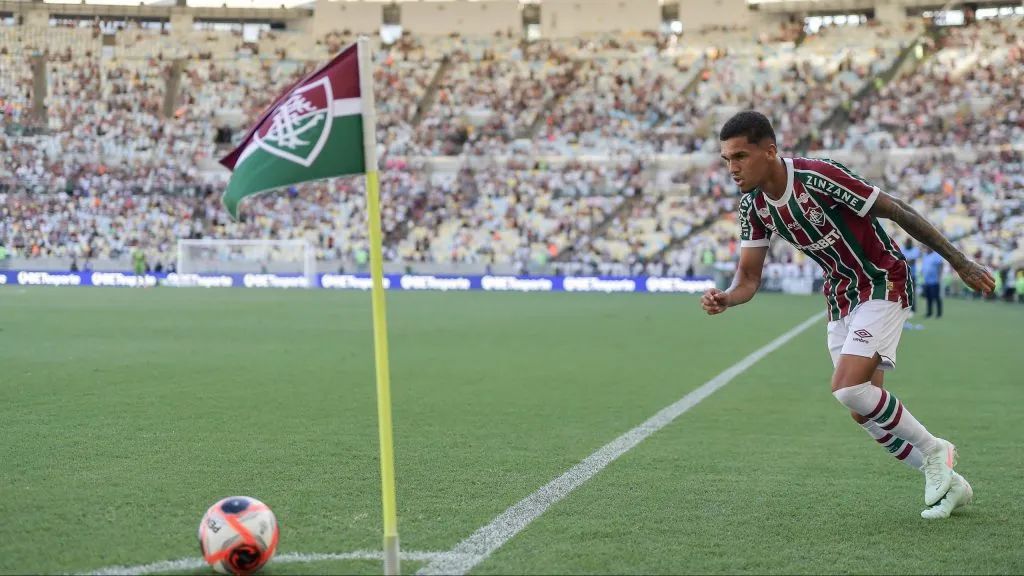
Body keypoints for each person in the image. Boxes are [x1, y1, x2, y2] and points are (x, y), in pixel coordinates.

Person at [700, 111, 995, 520]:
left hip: (882, 280)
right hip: (840, 296)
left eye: (740, 156)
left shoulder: (818, 176)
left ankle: (934, 451)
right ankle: (953, 485)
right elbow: (748, 277)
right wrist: (728, 298)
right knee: (861, 408)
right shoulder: (753, 206)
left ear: (769, 151)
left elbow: (896, 210)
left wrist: (959, 262)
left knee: (847, 388)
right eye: (726, 159)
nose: (732, 168)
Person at [921, 246, 944, 318]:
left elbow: (941, 265)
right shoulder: (925, 256)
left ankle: (939, 314)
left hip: (934, 280)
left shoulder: (936, 255)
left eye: (928, 247)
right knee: (928, 298)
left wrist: (939, 276)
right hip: (926, 281)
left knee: (936, 297)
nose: (927, 248)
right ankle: (929, 313)